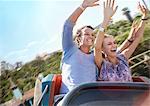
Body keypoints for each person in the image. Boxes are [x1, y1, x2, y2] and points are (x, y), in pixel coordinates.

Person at [94, 1, 148, 82]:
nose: (114, 45)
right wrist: (106, 19)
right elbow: (97, 47)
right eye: (109, 44)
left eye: (114, 43)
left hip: (130, 94)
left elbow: (137, 38)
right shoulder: (102, 64)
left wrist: (144, 17)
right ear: (102, 49)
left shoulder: (123, 58)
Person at [60, 0, 100, 94]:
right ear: (79, 37)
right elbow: (67, 26)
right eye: (87, 34)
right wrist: (83, 7)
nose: (90, 36)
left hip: (91, 99)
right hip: (69, 98)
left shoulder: (96, 56)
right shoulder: (70, 49)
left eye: (92, 35)